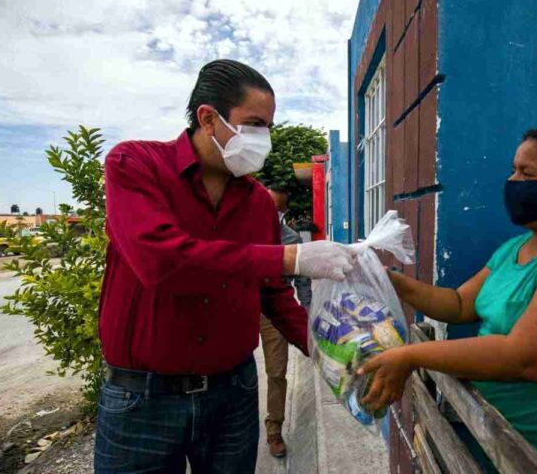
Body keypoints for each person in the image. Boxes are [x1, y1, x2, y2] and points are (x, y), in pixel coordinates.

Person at [94, 59, 355, 474]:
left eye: (268, 126)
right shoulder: (136, 165)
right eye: (253, 124)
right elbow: (161, 261)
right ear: (209, 118)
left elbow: (271, 292)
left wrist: (329, 353)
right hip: (142, 401)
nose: (264, 139)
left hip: (231, 394)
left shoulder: (257, 204)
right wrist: (294, 257)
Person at [359, 122, 537, 473]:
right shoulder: (517, 248)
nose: (513, 182)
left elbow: (527, 359)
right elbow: (459, 304)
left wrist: (411, 355)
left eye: (527, 173)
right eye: (513, 171)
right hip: (499, 447)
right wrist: (392, 281)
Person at [259, 186, 312, 458]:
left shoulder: (291, 238)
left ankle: (274, 430)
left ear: (284, 211)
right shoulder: (244, 231)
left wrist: (308, 310)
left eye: (277, 209)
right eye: (268, 206)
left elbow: (303, 278)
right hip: (241, 308)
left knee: (276, 371)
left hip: (276, 312)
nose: (272, 214)